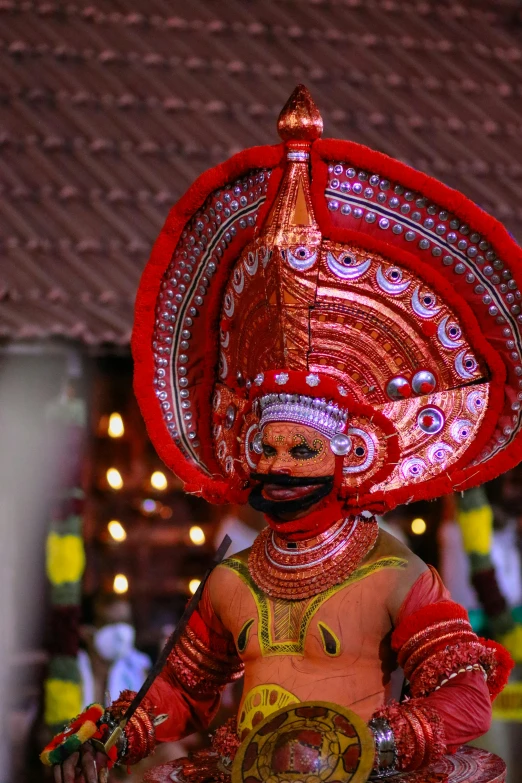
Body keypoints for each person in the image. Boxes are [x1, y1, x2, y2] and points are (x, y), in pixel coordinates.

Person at [47, 85, 522, 782]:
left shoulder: (393, 573)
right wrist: (115, 738)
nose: (276, 464)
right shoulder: (231, 578)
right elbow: (181, 692)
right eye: (264, 447)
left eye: (301, 450)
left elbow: (465, 698)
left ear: (349, 455)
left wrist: (370, 747)